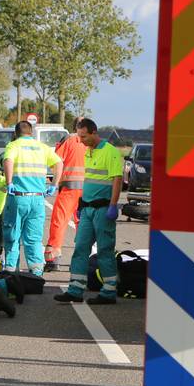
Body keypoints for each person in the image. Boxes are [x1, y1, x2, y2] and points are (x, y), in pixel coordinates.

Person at [55, 118, 124, 305]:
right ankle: (75, 289)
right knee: (80, 248)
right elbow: (89, 180)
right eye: (79, 137)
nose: (81, 140)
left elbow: (117, 179)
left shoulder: (111, 153)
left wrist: (113, 204)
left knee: (105, 250)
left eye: (84, 136)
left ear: (94, 132)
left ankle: (109, 292)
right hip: (87, 208)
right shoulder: (88, 151)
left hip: (103, 209)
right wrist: (81, 203)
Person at [0, 120, 62, 277]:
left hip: (18, 197)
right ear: (31, 132)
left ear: (15, 133)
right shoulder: (42, 147)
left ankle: (11, 273)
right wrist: (54, 185)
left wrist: (9, 182)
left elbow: (8, 161)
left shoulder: (14, 146)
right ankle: (36, 275)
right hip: (37, 199)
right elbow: (59, 163)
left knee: (12, 236)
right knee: (33, 239)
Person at [45, 116, 87, 271]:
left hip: (69, 189)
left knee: (59, 221)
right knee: (83, 225)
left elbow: (56, 162)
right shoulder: (92, 143)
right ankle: (82, 261)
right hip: (87, 191)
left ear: (74, 126)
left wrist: (54, 183)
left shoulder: (68, 140)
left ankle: (53, 259)